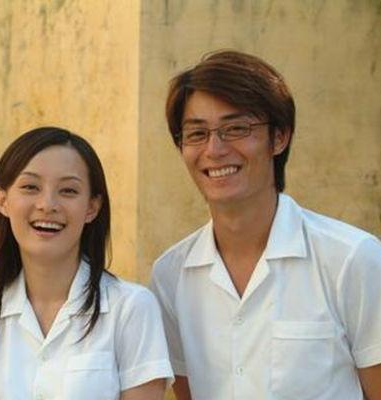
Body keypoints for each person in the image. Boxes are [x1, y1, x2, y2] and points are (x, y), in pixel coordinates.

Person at [150, 50, 381, 400]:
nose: (214, 149)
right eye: (196, 133)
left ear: (279, 137)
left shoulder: (352, 259)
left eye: (236, 128)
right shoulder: (170, 276)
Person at [0, 127, 173, 400]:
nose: (47, 204)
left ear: (92, 207)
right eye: (30, 187)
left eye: (68, 190)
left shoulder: (131, 309)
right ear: (3, 200)